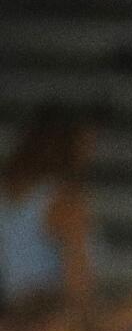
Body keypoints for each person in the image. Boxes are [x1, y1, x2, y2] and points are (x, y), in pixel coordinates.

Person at [0, 104, 95, 308]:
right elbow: (79, 284)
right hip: (49, 318)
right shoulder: (64, 201)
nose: (89, 154)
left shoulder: (7, 192)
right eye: (85, 145)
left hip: (13, 315)